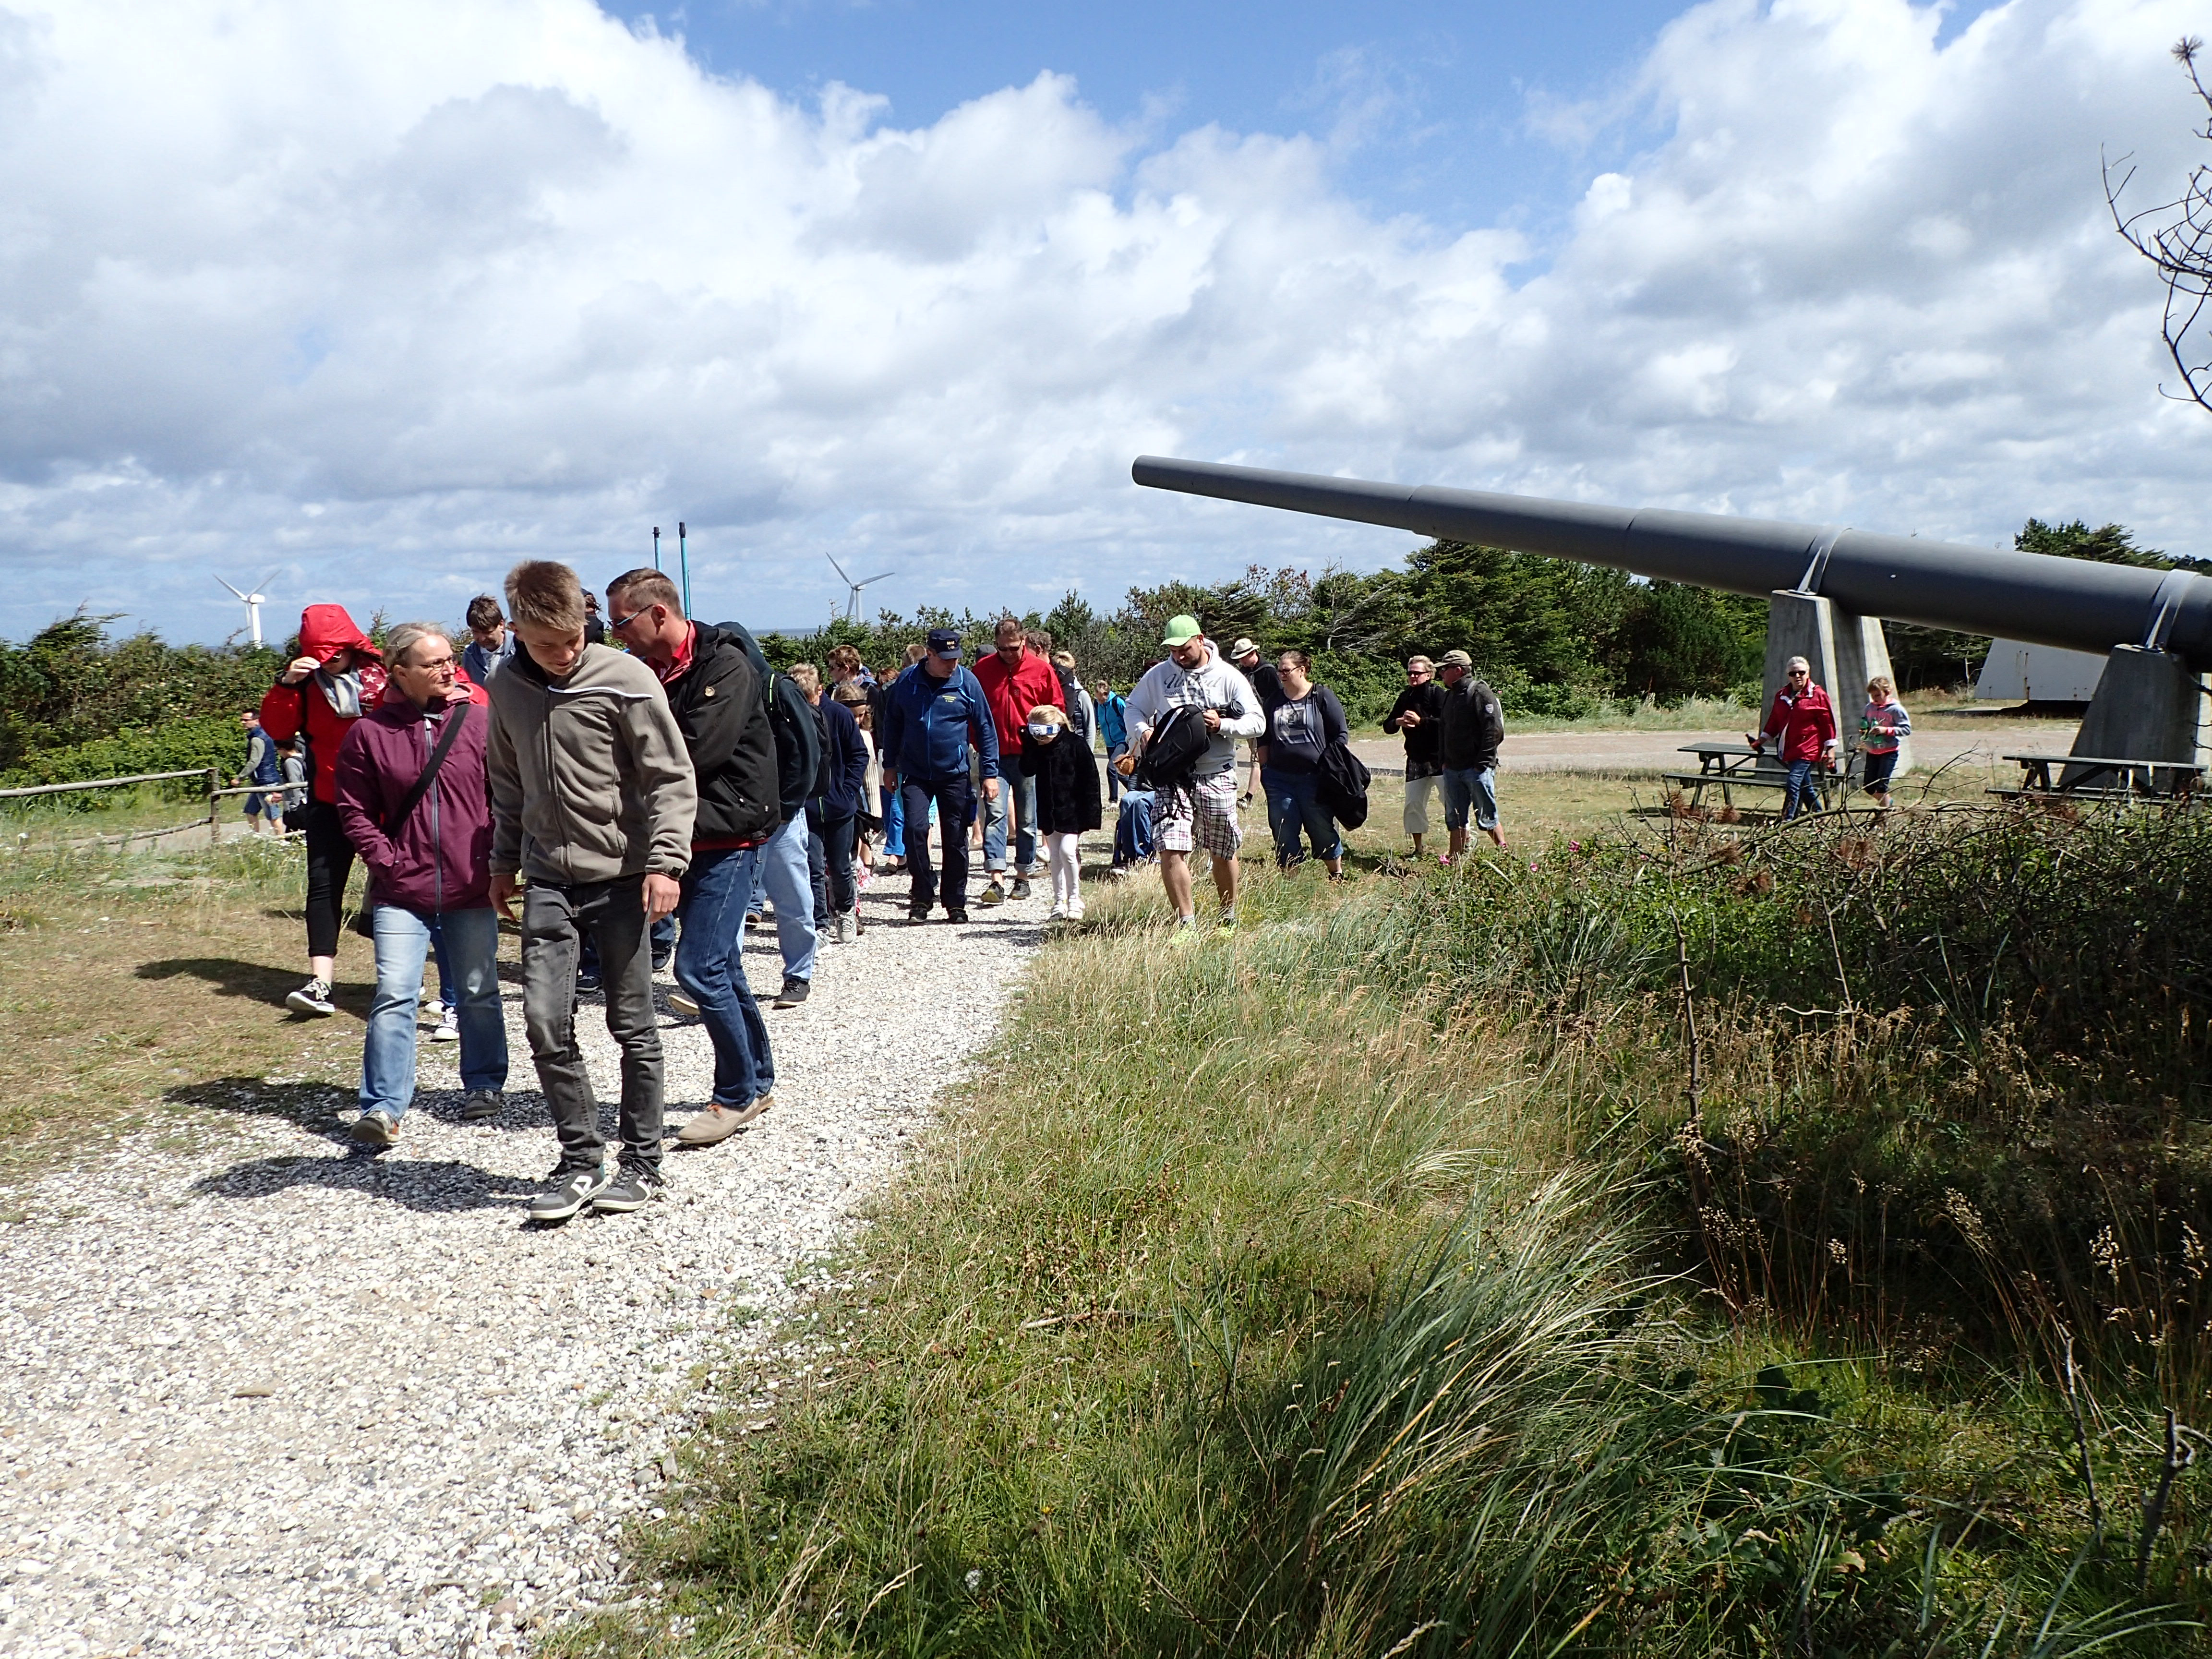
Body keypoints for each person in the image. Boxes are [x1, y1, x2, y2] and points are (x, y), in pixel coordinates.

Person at [487, 560, 697, 1223]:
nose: (567, 654)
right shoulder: (506, 688)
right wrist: (501, 862)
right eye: (549, 644)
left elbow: (669, 777)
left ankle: (642, 1162)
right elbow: (508, 784)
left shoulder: (626, 678)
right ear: (517, 629)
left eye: (576, 638)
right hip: (548, 877)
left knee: (632, 1023)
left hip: (626, 880)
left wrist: (666, 864)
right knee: (545, 1021)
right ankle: (581, 1159)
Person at [603, 568, 780, 1148]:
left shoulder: (725, 664)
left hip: (729, 834)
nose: (614, 634)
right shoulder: (646, 671)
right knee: (723, 965)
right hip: (684, 836)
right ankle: (756, 1081)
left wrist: (629, 759)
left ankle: (734, 1096)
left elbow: (695, 751)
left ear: (657, 613)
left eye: (621, 621)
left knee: (698, 968)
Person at [332, 622, 506, 1147]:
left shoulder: (480, 723)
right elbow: (354, 811)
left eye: (449, 659)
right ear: (399, 672)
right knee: (394, 995)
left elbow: (506, 796)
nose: (447, 668)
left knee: (478, 991)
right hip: (400, 892)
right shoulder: (369, 734)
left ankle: (484, 1083)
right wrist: (389, 862)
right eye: (432, 663)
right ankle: (383, 1108)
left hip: (471, 885)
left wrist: (498, 859)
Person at [259, 605, 389, 1018]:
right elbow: (278, 731)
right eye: (320, 654)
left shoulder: (385, 674)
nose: (328, 662)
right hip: (328, 800)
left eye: (335, 653)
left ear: (352, 646)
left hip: (386, 802)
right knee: (323, 888)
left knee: (393, 887)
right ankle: (321, 983)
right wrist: (286, 685)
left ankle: (396, 979)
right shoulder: (303, 684)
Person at [1123, 615, 1264, 936]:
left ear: (1200, 640)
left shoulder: (1228, 677)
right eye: (1172, 651)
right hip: (1172, 776)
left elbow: (1258, 722)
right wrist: (1143, 731)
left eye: (1184, 649)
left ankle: (1228, 915)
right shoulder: (1159, 676)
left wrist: (1223, 725)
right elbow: (1133, 707)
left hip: (1216, 772)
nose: (1178, 656)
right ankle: (1186, 924)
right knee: (1169, 846)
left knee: (1222, 848)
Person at [880, 627, 999, 924]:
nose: (952, 664)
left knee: (955, 837)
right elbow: (892, 725)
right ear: (929, 654)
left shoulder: (966, 682)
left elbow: (985, 727)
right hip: (915, 772)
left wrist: (989, 773)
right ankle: (922, 895)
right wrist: (890, 765)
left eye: (956, 658)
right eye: (945, 658)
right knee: (915, 830)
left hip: (954, 774)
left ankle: (955, 902)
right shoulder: (907, 682)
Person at [973, 617, 1063, 903]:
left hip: (1029, 755)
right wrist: (977, 742)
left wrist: (1047, 741)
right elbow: (973, 712)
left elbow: (1058, 710)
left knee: (1026, 818)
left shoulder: (1042, 670)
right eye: (1002, 649)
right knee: (995, 815)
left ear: (1023, 642)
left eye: (1013, 648)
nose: (1008, 654)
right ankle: (996, 877)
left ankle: (1023, 875)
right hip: (994, 756)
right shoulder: (983, 671)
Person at [791, 663, 868, 945]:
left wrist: (847, 791)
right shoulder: (792, 717)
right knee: (812, 866)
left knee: (840, 866)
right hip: (806, 808)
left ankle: (846, 911)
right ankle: (819, 922)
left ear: (820, 691)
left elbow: (859, 755)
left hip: (839, 806)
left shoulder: (838, 715)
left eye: (809, 697)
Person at [1259, 650, 1350, 878]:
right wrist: (1265, 770)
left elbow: (1341, 734)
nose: (1281, 674)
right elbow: (1264, 738)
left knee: (1320, 828)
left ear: (1303, 670)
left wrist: (1329, 765)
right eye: (1280, 670)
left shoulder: (1321, 696)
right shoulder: (1274, 702)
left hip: (1315, 778)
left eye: (1286, 670)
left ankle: (1336, 874)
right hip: (1279, 779)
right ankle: (1292, 883)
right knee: (1283, 828)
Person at [1019, 702, 1102, 921]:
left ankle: (1075, 899)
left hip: (1073, 810)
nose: (1040, 739)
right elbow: (1026, 770)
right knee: (1054, 856)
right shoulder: (1037, 748)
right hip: (1049, 809)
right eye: (1034, 733)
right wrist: (1028, 744)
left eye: (1043, 734)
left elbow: (1091, 780)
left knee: (1067, 852)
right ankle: (1059, 902)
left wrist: (1091, 813)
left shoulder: (1076, 745)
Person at [1435, 650, 1507, 860]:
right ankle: (1454, 860)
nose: (1441, 674)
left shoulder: (1479, 692)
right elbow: (1443, 729)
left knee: (1487, 817)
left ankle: (1505, 856)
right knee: (1455, 819)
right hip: (1453, 769)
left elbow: (1494, 730)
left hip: (1476, 770)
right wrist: (1444, 762)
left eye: (1444, 669)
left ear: (1458, 670)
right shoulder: (1450, 695)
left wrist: (1482, 763)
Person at [1747, 655, 1839, 821]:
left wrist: (1831, 750)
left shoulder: (1818, 695)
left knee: (1793, 782)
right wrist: (1760, 740)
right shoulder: (1782, 695)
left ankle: (1788, 820)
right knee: (1804, 786)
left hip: (1809, 747)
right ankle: (1819, 815)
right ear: (1788, 675)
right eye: (1793, 673)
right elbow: (1775, 720)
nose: (1798, 676)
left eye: (1801, 673)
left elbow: (1828, 724)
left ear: (1808, 673)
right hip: (1789, 747)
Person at [1382, 656, 1446, 859]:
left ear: (1429, 674)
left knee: (1451, 802)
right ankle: (1418, 849)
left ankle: (1464, 844)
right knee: (1413, 805)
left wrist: (1422, 722)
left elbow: (1447, 724)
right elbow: (1387, 725)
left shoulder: (1438, 694)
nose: (1412, 676)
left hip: (1440, 759)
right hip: (1415, 759)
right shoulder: (1406, 696)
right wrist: (1398, 722)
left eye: (1417, 673)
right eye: (1410, 673)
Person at [1227, 637, 1283, 803]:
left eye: (1244, 657)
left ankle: (1250, 797)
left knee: (1260, 759)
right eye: (1240, 659)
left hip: (1269, 721)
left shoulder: (1269, 672)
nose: (1242, 661)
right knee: (1258, 758)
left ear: (1253, 653)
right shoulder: (1243, 673)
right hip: (1250, 720)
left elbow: (1279, 696)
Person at [1858, 675, 1911, 810]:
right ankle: (1888, 803)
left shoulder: (1896, 709)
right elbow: (1865, 725)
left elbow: (1906, 729)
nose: (1874, 699)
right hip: (1873, 750)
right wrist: (1864, 734)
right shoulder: (1869, 708)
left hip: (1889, 752)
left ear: (1887, 693)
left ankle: (1884, 816)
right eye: (1872, 696)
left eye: (1877, 695)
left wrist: (1887, 730)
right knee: (1869, 786)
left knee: (1882, 785)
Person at [235, 709, 285, 837]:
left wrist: (240, 778)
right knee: (250, 811)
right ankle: (256, 838)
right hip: (260, 782)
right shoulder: (263, 735)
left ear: (257, 721)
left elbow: (254, 761)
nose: (243, 723)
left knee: (273, 815)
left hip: (266, 782)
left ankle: (283, 840)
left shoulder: (257, 738)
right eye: (242, 720)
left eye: (246, 720)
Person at [1092, 677, 1130, 802]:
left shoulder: (1117, 702)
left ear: (1106, 694)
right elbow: (1095, 721)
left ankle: (1113, 800)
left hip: (1122, 740)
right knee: (1118, 773)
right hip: (1109, 742)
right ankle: (1136, 790)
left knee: (1111, 768)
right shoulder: (1097, 704)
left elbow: (1130, 718)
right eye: (1097, 698)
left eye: (1101, 698)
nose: (1100, 701)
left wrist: (1132, 737)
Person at [461, 596, 514, 685]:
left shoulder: (522, 649)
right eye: (476, 632)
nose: (482, 638)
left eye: (487, 632)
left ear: (501, 625)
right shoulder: (469, 655)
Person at [280, 737, 309, 836]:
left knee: (294, 834)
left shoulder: (290, 762)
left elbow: (295, 783)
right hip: (306, 799)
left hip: (298, 803)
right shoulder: (303, 758)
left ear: (283, 749)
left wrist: (294, 805)